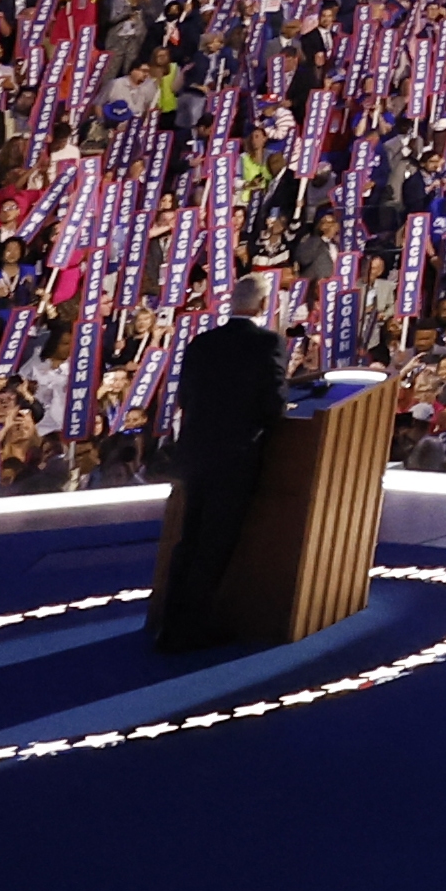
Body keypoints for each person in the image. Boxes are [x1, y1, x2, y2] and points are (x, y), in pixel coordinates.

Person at [150, 277, 288, 649]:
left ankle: (170, 622)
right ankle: (190, 629)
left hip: (196, 452)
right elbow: (273, 403)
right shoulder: (267, 343)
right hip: (236, 455)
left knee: (189, 539)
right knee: (214, 542)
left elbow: (186, 395)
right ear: (262, 307)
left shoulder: (202, 343)